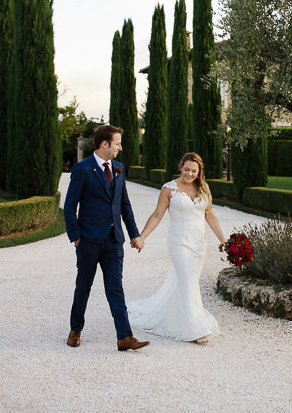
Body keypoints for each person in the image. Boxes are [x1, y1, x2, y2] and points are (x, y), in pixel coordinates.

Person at [63, 124, 149, 351]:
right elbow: (70, 206)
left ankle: (124, 336)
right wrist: (76, 237)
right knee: (83, 286)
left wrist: (134, 234)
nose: (120, 147)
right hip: (88, 241)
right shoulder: (82, 169)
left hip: (114, 241)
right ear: (105, 144)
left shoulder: (119, 168)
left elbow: (124, 205)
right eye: (117, 143)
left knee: (115, 288)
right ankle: (75, 329)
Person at [128, 152, 227, 344]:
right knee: (188, 280)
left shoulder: (203, 188)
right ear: (181, 167)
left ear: (199, 172)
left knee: (186, 282)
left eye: (194, 171)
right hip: (179, 242)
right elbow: (157, 215)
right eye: (187, 169)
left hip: (199, 244)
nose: (189, 174)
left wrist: (225, 242)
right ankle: (195, 328)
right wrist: (142, 236)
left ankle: (179, 316)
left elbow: (211, 216)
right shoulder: (169, 189)